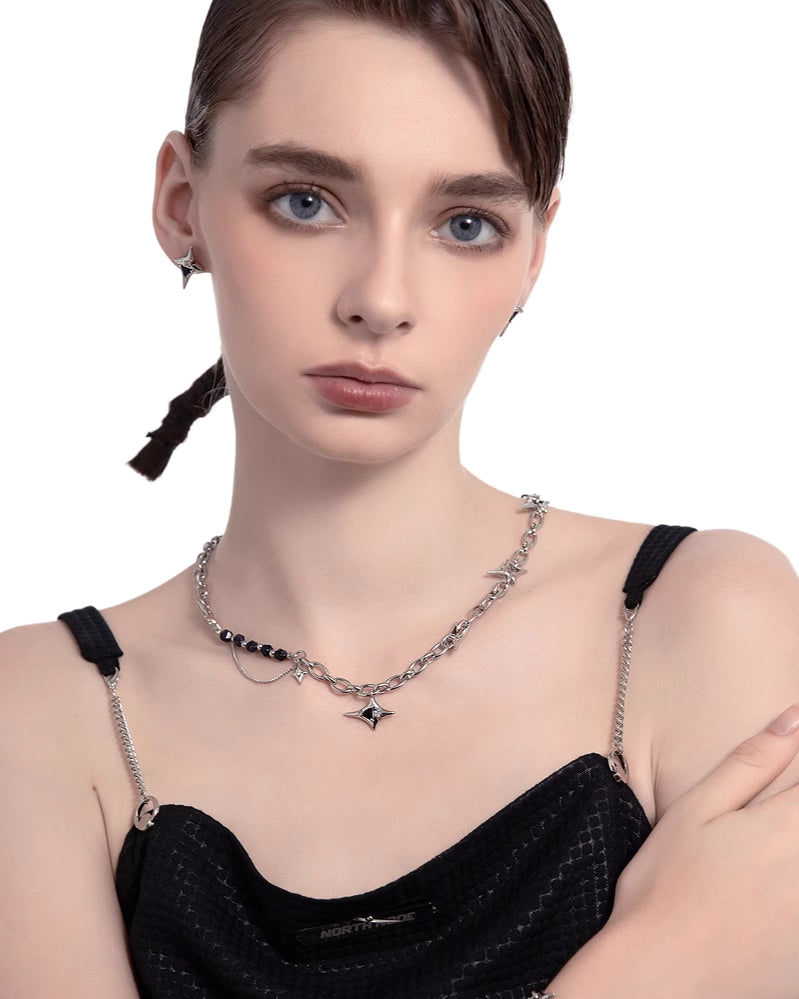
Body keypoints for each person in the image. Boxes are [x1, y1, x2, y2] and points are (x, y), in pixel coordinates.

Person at [1, 2, 798, 997]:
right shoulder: (42, 709)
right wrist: (654, 967)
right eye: (305, 202)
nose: (380, 299)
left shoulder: (698, 617)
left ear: (534, 252)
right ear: (180, 202)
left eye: (466, 225)